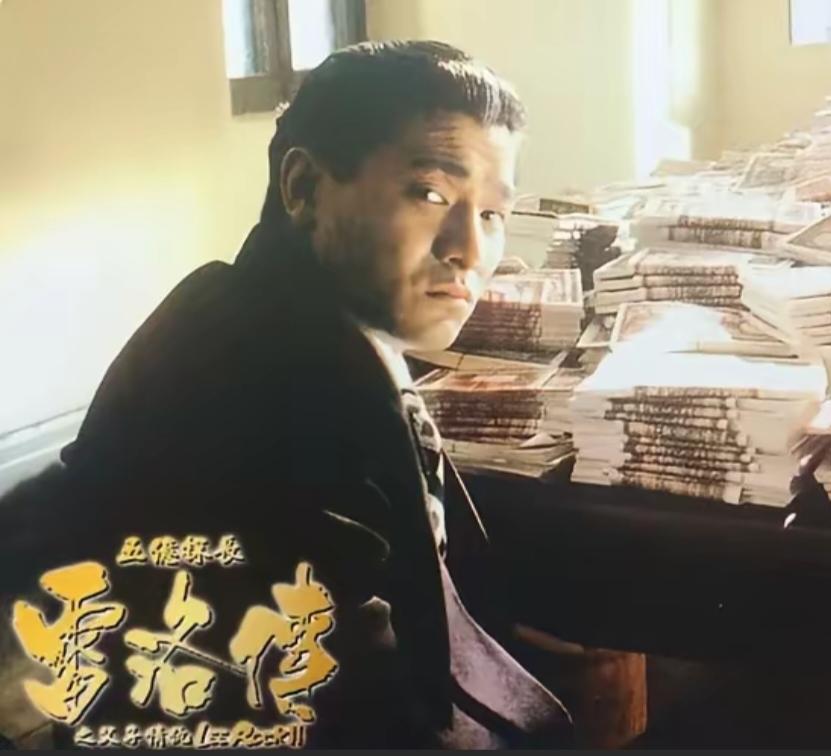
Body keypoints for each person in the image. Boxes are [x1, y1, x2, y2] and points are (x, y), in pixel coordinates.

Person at [0, 41, 572, 749]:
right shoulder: (279, 391)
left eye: (492, 214)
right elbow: (351, 704)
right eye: (430, 194)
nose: (469, 250)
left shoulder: (236, 301)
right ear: (303, 188)